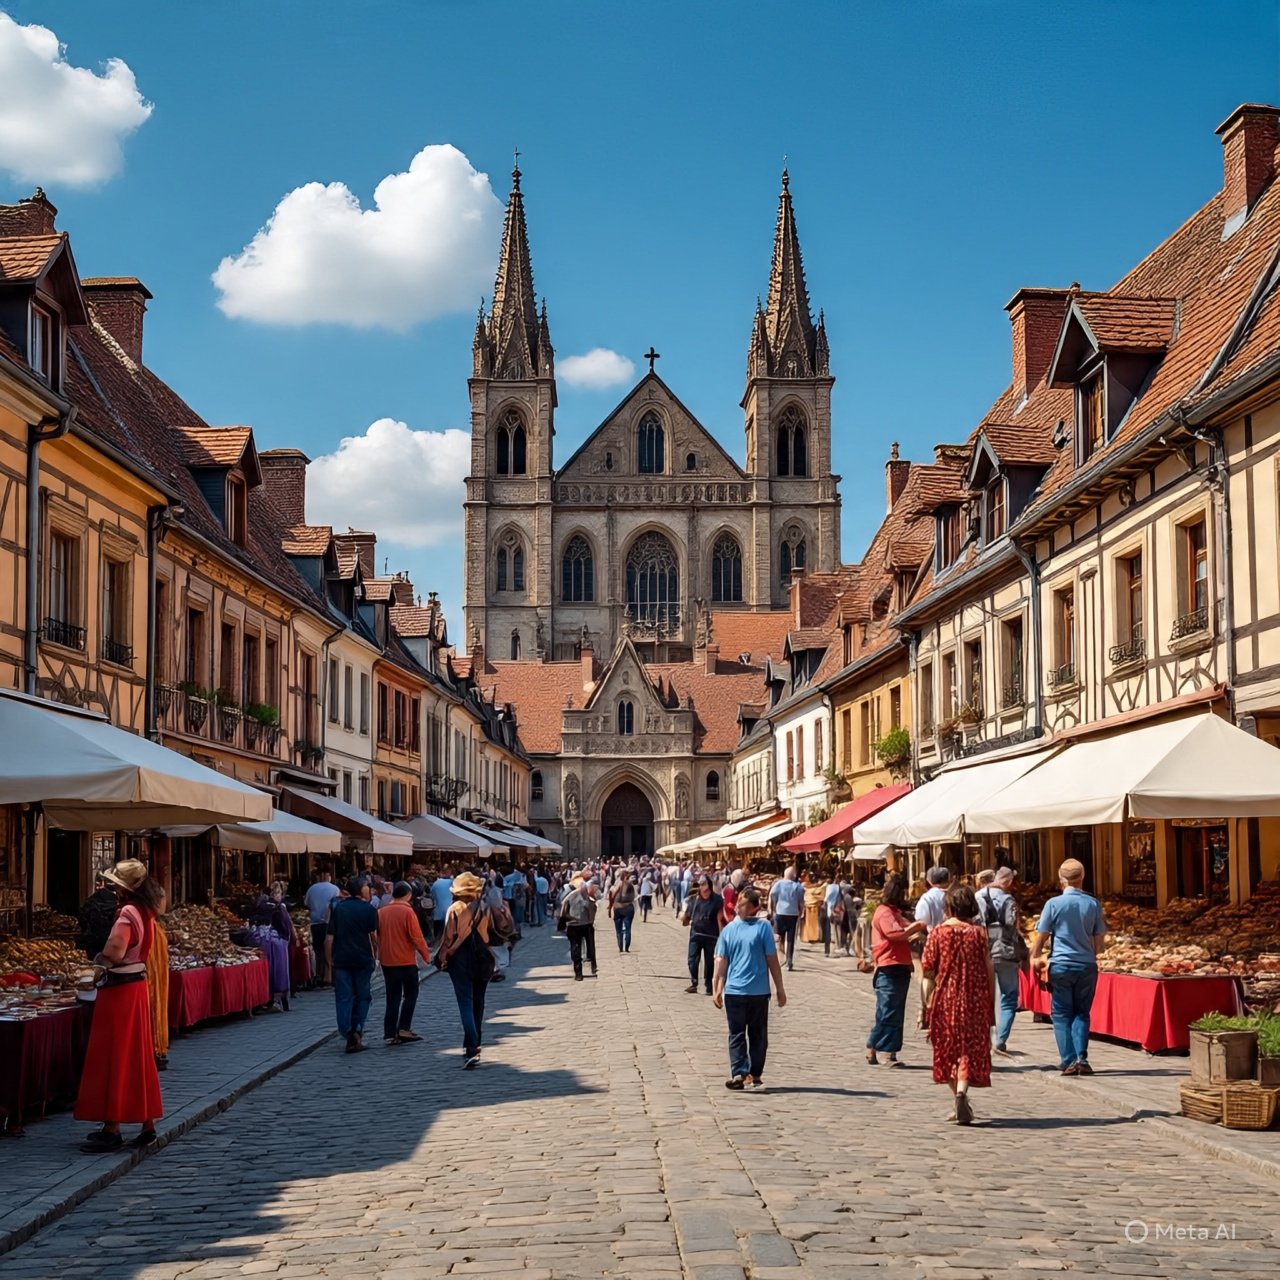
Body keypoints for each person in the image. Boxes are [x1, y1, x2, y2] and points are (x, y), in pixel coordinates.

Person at [75, 860, 164, 1152]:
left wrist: (98, 962)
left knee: (115, 1055)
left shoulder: (127, 913)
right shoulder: (146, 911)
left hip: (120, 991)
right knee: (138, 1056)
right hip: (136, 988)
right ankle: (147, 1124)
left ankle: (112, 1127)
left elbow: (115, 950)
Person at [922, 884, 995, 1125]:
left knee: (947, 1049)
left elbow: (927, 972)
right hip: (975, 999)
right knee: (968, 1048)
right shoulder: (978, 934)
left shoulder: (937, 933)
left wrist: (925, 1005)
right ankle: (962, 1094)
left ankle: (958, 1096)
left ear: (949, 907)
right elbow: (989, 969)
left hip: (946, 998)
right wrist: (990, 1001)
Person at [1030, 858, 1108, 1076]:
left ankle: (1069, 1059)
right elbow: (1099, 943)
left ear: (1061, 879)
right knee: (1082, 1012)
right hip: (1086, 965)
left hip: (1061, 965)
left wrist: (1034, 957)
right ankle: (1082, 1058)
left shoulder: (1053, 904)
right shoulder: (1093, 904)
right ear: (1082, 877)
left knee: (1062, 1013)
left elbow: (1042, 936)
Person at [712, 887, 786, 1092]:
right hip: (734, 992)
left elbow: (772, 960)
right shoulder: (729, 929)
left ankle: (755, 1073)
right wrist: (717, 988)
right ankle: (738, 1072)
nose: (738, 906)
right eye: (738, 902)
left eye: (743, 904)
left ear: (754, 907)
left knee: (758, 1036)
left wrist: (780, 988)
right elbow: (721, 961)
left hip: (758, 993)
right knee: (736, 1034)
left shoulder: (763, 928)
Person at [437, 871, 511, 1068]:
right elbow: (492, 931)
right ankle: (475, 1043)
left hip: (460, 957)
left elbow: (448, 937)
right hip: (483, 956)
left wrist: (442, 956)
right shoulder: (485, 907)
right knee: (479, 1002)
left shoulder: (455, 909)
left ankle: (471, 1047)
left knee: (465, 1003)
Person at [865, 873, 926, 1067]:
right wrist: (914, 928)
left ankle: (885, 1050)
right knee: (887, 1011)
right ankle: (879, 1049)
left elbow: (906, 929)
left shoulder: (895, 913)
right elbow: (894, 933)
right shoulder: (884, 913)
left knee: (895, 1011)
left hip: (900, 966)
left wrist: (917, 931)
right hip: (888, 966)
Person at [326, 877, 380, 1053]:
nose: (369, 889)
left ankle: (346, 1030)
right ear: (361, 890)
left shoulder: (339, 908)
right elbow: (373, 937)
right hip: (363, 959)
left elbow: (329, 938)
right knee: (363, 996)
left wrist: (329, 959)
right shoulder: (369, 909)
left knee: (344, 996)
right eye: (367, 887)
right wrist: (377, 956)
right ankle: (357, 1029)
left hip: (342, 958)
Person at [978, 866, 1024, 1055]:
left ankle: (983, 1038)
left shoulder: (979, 896)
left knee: (982, 996)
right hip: (1006, 951)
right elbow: (1012, 924)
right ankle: (1000, 1039)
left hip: (983, 951)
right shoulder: (1008, 899)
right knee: (1009, 995)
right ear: (1009, 881)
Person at [378, 881, 431, 1045]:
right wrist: (426, 956)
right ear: (408, 895)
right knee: (410, 995)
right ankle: (404, 1028)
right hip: (405, 960)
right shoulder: (408, 912)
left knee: (392, 998)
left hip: (387, 960)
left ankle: (389, 1032)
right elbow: (416, 936)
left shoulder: (381, 912)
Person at [251, 880, 296, 1011]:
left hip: (268, 941)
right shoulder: (279, 907)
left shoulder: (267, 906)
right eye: (276, 892)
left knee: (273, 970)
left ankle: (272, 999)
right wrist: (290, 938)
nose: (276, 895)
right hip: (278, 943)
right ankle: (277, 999)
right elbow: (287, 926)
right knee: (279, 971)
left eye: (277, 892)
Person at [683, 874, 724, 994]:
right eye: (702, 887)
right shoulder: (694, 899)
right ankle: (694, 982)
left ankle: (709, 986)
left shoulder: (717, 900)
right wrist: (684, 918)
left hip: (711, 936)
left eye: (707, 888)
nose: (705, 891)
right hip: (696, 934)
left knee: (710, 963)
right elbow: (687, 917)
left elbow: (720, 918)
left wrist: (721, 935)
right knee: (692, 959)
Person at [147, 885, 171, 1071]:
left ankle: (158, 1048)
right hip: (151, 976)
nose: (165, 902)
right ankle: (154, 1048)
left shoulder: (154, 924)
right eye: (163, 898)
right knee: (153, 1008)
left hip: (158, 974)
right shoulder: (148, 924)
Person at [557, 876, 598, 980]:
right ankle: (580, 971)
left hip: (582, 925)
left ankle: (590, 967)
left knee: (584, 947)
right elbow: (564, 909)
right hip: (576, 925)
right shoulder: (573, 896)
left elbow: (563, 910)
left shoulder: (586, 896)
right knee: (578, 947)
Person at [304, 870, 340, 987]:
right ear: (329, 876)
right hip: (329, 924)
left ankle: (320, 974)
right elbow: (337, 905)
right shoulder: (335, 889)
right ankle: (330, 975)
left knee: (318, 950)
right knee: (330, 951)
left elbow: (307, 904)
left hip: (315, 923)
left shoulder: (312, 889)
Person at [769, 867, 805, 971]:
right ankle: (789, 960)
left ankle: (781, 956)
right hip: (793, 914)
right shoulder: (798, 886)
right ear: (794, 876)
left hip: (780, 912)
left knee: (779, 937)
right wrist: (800, 911)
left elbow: (772, 895)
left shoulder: (778, 884)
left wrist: (773, 908)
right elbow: (801, 901)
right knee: (790, 939)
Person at [78, 873, 118, 960]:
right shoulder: (118, 903)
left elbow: (82, 924)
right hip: (112, 946)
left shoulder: (91, 901)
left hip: (93, 947)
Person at [608, 869, 637, 953]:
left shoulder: (620, 884)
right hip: (628, 907)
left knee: (619, 929)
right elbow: (634, 897)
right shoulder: (631, 885)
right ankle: (627, 947)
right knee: (628, 929)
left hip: (618, 908)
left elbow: (613, 894)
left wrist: (610, 907)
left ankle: (620, 947)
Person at [430, 867, 457, 945]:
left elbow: (433, 898)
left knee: (438, 938)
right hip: (451, 914)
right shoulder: (453, 883)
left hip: (438, 915)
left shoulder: (435, 884)